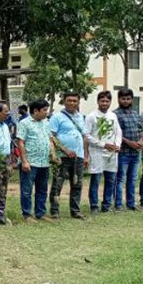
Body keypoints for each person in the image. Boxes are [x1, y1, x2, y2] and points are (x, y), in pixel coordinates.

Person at [48, 91, 88, 220]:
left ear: (78, 102)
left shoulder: (80, 117)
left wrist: (86, 155)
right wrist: (64, 150)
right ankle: (54, 211)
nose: (72, 103)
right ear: (64, 101)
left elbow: (84, 137)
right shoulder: (57, 117)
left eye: (74, 101)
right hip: (62, 157)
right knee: (57, 184)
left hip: (78, 156)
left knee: (77, 184)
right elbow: (51, 137)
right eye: (69, 100)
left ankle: (75, 211)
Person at [17, 99, 59, 223]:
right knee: (27, 190)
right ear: (36, 110)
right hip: (30, 162)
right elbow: (20, 142)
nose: (47, 112)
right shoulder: (24, 123)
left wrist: (53, 154)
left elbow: (50, 139)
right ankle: (27, 214)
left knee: (42, 189)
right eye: (45, 110)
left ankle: (41, 213)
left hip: (44, 162)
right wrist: (24, 161)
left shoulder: (46, 122)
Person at [85, 91, 122, 214]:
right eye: (102, 101)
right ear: (98, 101)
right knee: (96, 180)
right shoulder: (91, 116)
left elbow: (118, 132)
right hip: (97, 152)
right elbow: (87, 135)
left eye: (107, 101)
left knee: (111, 180)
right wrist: (103, 144)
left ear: (110, 102)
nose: (105, 103)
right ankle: (94, 206)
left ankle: (106, 205)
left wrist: (117, 145)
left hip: (112, 154)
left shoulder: (113, 116)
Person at [114, 88, 143, 211]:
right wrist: (130, 143)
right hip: (122, 153)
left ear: (131, 99)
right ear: (119, 99)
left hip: (135, 154)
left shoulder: (135, 113)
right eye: (123, 99)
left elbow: (142, 129)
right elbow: (115, 134)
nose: (126, 101)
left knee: (132, 179)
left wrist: (141, 140)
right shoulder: (115, 114)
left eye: (128, 99)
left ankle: (131, 204)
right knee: (120, 179)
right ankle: (118, 204)